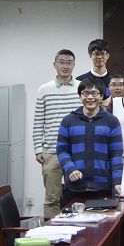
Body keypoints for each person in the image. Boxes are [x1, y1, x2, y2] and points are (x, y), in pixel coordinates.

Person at [57, 77, 123, 208]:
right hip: (75, 188)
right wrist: (71, 169)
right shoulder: (68, 121)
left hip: (102, 187)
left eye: (94, 93)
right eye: (86, 93)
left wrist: (117, 181)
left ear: (102, 96)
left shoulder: (112, 121)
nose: (90, 97)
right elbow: (62, 150)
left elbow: (116, 154)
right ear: (80, 96)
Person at [33, 49, 82, 217]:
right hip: (51, 151)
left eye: (69, 63)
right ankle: (52, 231)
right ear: (55, 65)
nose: (65, 66)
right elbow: (38, 121)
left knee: (75, 196)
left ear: (74, 65)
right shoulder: (44, 89)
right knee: (51, 199)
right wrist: (38, 149)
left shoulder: (81, 88)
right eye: (62, 62)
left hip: (75, 152)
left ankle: (75, 229)